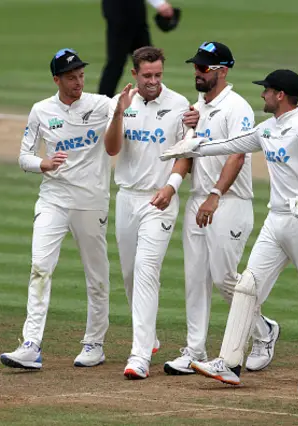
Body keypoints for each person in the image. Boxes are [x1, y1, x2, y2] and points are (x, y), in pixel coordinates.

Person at [161, 69, 298, 386]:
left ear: (280, 95)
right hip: (276, 221)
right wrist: (193, 147)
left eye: (267, 90)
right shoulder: (267, 129)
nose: (262, 95)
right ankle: (229, 363)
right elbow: (231, 144)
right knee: (246, 287)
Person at [160, 41, 276, 376]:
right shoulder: (199, 107)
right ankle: (194, 350)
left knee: (225, 279)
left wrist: (214, 194)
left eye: (203, 68)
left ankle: (264, 331)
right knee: (195, 278)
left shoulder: (237, 107)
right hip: (199, 199)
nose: (196, 73)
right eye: (195, 67)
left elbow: (237, 155)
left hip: (229, 201)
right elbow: (192, 152)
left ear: (222, 71)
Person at [0, 48, 112, 370]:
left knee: (96, 275)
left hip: (91, 201)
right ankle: (31, 345)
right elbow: (24, 156)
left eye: (80, 76)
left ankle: (95, 343)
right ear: (57, 80)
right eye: (71, 77)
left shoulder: (101, 105)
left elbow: (130, 113)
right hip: (53, 198)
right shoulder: (41, 111)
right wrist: (43, 164)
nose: (78, 82)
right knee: (39, 267)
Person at [103, 46, 191, 379]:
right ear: (134, 75)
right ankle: (149, 337)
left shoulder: (179, 104)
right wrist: (118, 114)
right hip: (128, 197)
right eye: (147, 76)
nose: (153, 81)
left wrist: (171, 186)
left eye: (158, 75)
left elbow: (185, 153)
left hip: (161, 199)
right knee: (128, 274)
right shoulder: (120, 102)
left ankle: (139, 355)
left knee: (145, 270)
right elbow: (112, 148)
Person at [98, 0, 175, 97]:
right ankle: (102, 104)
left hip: (130, 9)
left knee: (147, 59)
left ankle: (152, 99)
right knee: (118, 61)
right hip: (121, 9)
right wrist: (159, 3)